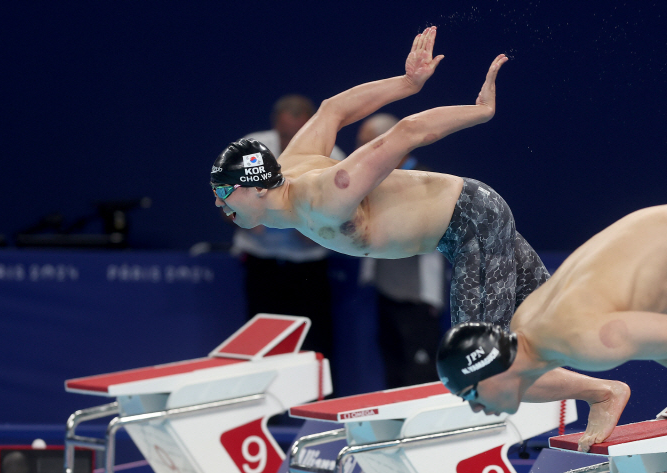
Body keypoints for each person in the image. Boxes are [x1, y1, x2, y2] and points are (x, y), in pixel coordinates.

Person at [209, 26, 628, 445]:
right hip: (463, 223)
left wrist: (478, 112)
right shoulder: (293, 161)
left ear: (257, 187)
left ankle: (604, 393)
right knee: (562, 322)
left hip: (471, 221)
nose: (218, 204)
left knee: (477, 368)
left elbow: (407, 132)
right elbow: (332, 109)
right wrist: (406, 83)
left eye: (223, 192)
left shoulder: (325, 197)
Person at [437, 203, 667, 452]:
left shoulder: (585, 341)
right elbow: (655, 345)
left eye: (470, 395)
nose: (475, 408)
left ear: (490, 369)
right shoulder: (526, 325)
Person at [231, 94, 345, 360]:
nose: (289, 143)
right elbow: (224, 200)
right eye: (284, 135)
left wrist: (316, 230)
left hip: (308, 269)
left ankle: (318, 400)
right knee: (262, 346)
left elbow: (347, 215)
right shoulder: (249, 150)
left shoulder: (333, 157)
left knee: (315, 347)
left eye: (297, 135)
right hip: (261, 265)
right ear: (274, 125)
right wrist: (243, 217)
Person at [357, 113, 446, 388]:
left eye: (366, 146)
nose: (358, 155)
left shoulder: (423, 181)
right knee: (393, 370)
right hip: (387, 292)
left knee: (419, 377)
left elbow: (426, 236)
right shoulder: (370, 179)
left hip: (418, 298)